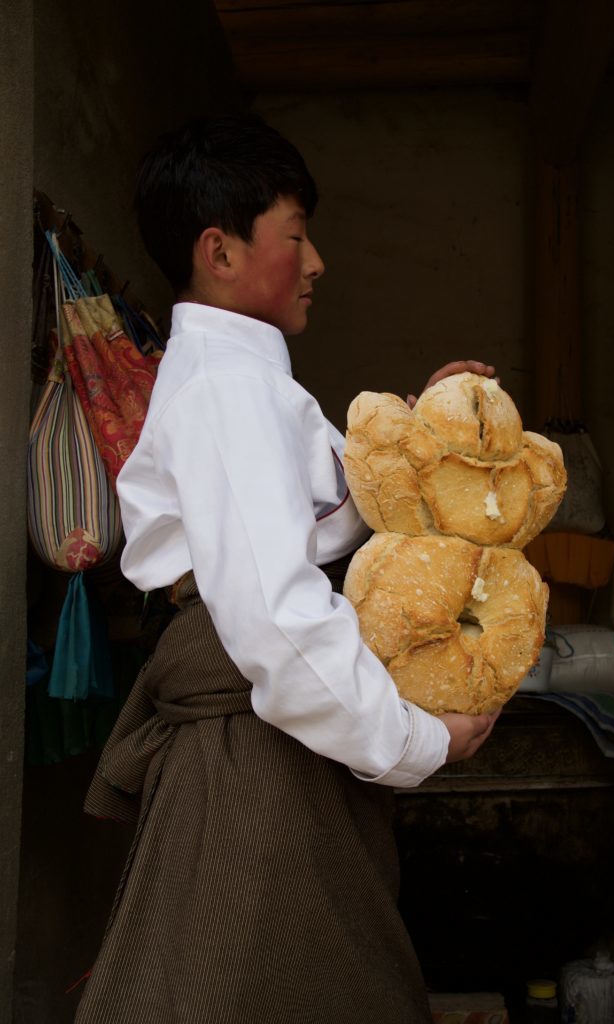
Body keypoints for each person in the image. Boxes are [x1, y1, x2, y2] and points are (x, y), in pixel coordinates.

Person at [75, 112, 501, 1024]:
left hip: (263, 727)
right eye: (297, 235)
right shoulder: (229, 389)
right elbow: (275, 613)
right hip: (251, 740)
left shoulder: (246, 383)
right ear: (220, 252)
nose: (317, 263)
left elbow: (325, 516)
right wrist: (417, 741)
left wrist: (424, 428)